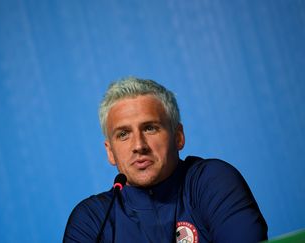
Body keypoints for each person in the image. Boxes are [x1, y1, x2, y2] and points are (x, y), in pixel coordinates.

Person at [63, 77, 268, 243]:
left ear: (178, 136)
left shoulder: (211, 182)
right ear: (110, 152)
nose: (138, 145)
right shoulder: (92, 220)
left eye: (150, 128)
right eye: (123, 134)